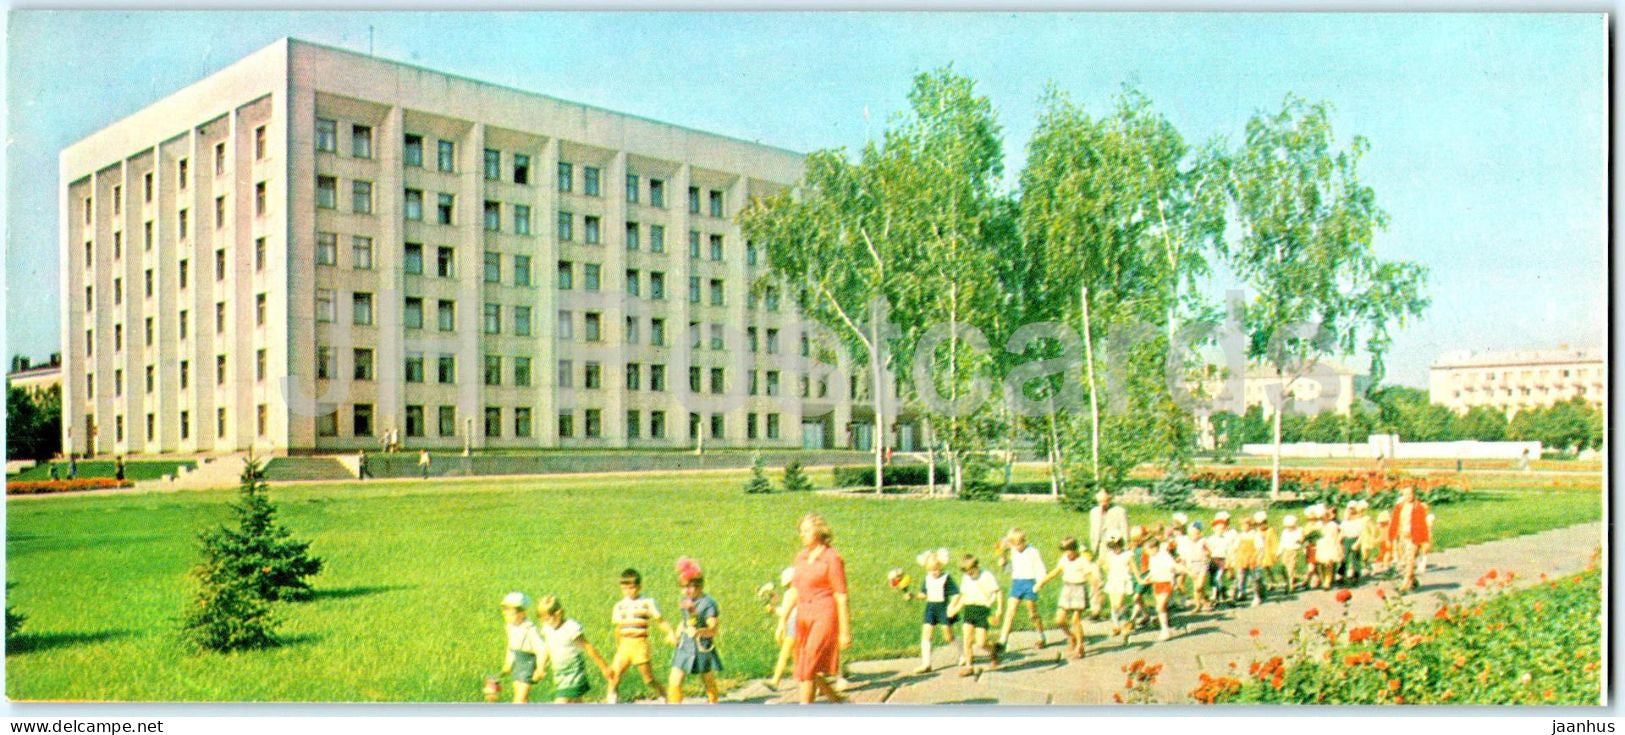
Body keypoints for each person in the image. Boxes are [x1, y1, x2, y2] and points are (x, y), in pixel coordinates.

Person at [778, 513, 851, 704]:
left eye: (807, 530)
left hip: (824, 615)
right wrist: (782, 619)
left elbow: (841, 596)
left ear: (820, 531)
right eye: (801, 531)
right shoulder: (801, 557)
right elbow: (795, 589)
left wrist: (845, 631)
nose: (802, 534)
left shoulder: (832, 558)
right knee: (804, 665)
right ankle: (837, 702)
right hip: (803, 616)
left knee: (809, 664)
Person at [606, 569, 673, 703]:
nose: (628, 592)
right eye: (624, 589)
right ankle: (611, 699)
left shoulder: (647, 602)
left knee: (648, 678)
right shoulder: (619, 606)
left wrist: (670, 632)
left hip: (639, 644)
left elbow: (660, 620)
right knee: (614, 674)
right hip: (625, 644)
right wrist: (619, 646)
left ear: (639, 587)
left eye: (631, 588)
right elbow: (618, 628)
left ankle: (663, 693)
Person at [535, 595, 610, 703]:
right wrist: (541, 667)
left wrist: (604, 667)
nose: (546, 622)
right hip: (560, 674)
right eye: (543, 619)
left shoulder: (570, 627)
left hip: (574, 673)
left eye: (548, 619)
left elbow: (588, 647)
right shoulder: (547, 629)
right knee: (575, 702)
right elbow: (547, 648)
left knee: (561, 703)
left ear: (559, 613)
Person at [667, 561, 722, 703]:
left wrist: (699, 632)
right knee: (674, 680)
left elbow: (713, 629)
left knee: (708, 680)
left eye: (689, 587)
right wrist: (677, 633)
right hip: (685, 646)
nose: (685, 591)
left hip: (701, 647)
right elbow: (685, 621)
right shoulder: (686, 601)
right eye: (683, 587)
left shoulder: (707, 603)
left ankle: (714, 705)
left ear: (699, 586)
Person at [1035, 537, 1093, 659]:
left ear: (1075, 550)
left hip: (1079, 589)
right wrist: (1041, 583)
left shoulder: (1082, 561)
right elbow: (1054, 573)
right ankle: (1071, 636)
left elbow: (1090, 576)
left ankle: (1080, 646)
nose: (1067, 554)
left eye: (1069, 551)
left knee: (1075, 620)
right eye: (1064, 551)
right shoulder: (1064, 560)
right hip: (1067, 589)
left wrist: (1096, 591)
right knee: (1059, 620)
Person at [904, 548, 959, 674]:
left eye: (936, 569)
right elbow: (924, 594)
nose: (934, 572)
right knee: (926, 634)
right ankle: (926, 663)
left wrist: (952, 606)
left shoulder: (946, 578)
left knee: (948, 636)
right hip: (931, 608)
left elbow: (956, 594)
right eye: (931, 570)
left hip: (943, 608)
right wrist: (912, 595)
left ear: (941, 566)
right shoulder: (928, 578)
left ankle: (963, 653)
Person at [995, 527, 1048, 654]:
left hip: (1030, 583)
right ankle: (1003, 640)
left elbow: (1040, 568)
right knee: (1010, 611)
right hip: (1017, 583)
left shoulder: (1032, 551)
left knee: (1032, 613)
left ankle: (1041, 635)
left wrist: (1040, 583)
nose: (1018, 547)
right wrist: (1003, 560)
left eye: (1020, 543)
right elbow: (1011, 569)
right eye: (1015, 544)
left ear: (1024, 540)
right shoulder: (1013, 551)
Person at [949, 554, 1001, 675]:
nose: (969, 574)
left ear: (977, 566)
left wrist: (999, 609)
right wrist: (955, 608)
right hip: (969, 609)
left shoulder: (987, 576)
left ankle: (992, 650)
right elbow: (964, 596)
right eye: (966, 572)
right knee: (967, 640)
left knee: (981, 642)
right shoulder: (966, 579)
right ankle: (969, 666)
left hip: (982, 610)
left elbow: (998, 592)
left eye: (971, 572)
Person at [498, 591, 545, 704]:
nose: (507, 616)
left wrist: (540, 668)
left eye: (511, 613)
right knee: (521, 698)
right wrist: (508, 663)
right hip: (518, 661)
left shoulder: (529, 629)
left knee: (519, 699)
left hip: (528, 662)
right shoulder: (510, 627)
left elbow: (541, 649)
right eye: (505, 613)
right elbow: (511, 646)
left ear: (522, 613)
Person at [1387, 486, 1432, 591]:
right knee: (1403, 560)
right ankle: (1412, 580)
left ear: (1414, 494)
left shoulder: (1418, 507)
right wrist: (1391, 537)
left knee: (1410, 558)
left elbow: (1422, 524)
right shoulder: (1399, 507)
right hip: (1402, 537)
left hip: (1414, 537)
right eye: (1405, 494)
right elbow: (1394, 522)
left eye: (1410, 494)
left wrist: (1424, 540)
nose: (1408, 496)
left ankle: (1405, 583)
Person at [1146, 539, 1187, 641]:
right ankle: (1165, 630)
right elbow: (1153, 570)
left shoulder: (1164, 556)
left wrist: (1189, 572)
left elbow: (1175, 565)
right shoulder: (1152, 557)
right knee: (1162, 608)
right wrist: (1147, 577)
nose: (1146, 552)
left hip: (1166, 583)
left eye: (1148, 549)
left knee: (1159, 607)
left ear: (1155, 548)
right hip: (1157, 583)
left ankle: (1165, 630)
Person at [1101, 536, 1138, 639]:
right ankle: (1116, 626)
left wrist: (1137, 578)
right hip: (1113, 580)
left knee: (1118, 604)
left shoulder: (1127, 554)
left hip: (1123, 580)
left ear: (1121, 544)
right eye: (1112, 547)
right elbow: (1107, 566)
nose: (1114, 549)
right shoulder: (1110, 555)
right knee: (1113, 606)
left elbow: (1133, 568)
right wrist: (1105, 566)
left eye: (1116, 547)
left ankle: (1128, 621)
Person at [1088, 490, 1129, 557]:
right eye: (1100, 501)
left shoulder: (1120, 511)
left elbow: (1125, 531)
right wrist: (1093, 547)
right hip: (1100, 546)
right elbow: (1093, 531)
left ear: (1110, 499)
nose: (1103, 504)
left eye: (1105, 501)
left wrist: (1126, 547)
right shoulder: (1094, 512)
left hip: (1115, 545)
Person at [1313, 505, 1343, 590]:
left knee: (1329, 563)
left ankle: (1327, 581)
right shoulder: (1318, 525)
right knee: (1322, 562)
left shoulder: (1333, 525)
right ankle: (1324, 578)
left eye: (1324, 517)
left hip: (1331, 544)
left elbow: (1339, 533)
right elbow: (1315, 534)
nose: (1322, 519)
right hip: (1321, 544)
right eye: (1320, 518)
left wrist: (1338, 542)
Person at [1339, 501, 1367, 583]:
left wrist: (1358, 542)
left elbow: (1362, 534)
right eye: (1349, 511)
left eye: (1352, 511)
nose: (1350, 514)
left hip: (1355, 539)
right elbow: (1342, 531)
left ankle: (1356, 575)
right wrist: (1339, 540)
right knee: (1344, 558)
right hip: (1346, 539)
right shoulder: (1345, 522)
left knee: (1355, 558)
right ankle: (1342, 574)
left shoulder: (1359, 522)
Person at [1277, 515, 1304, 592]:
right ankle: (1287, 583)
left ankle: (1291, 585)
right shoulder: (1284, 532)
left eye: (1291, 526)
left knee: (1291, 568)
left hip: (1293, 551)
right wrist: (1279, 552)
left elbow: (1301, 540)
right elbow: (1282, 542)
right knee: (1284, 568)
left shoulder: (1298, 530)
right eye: (1288, 526)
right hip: (1286, 551)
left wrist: (1299, 540)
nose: (1289, 528)